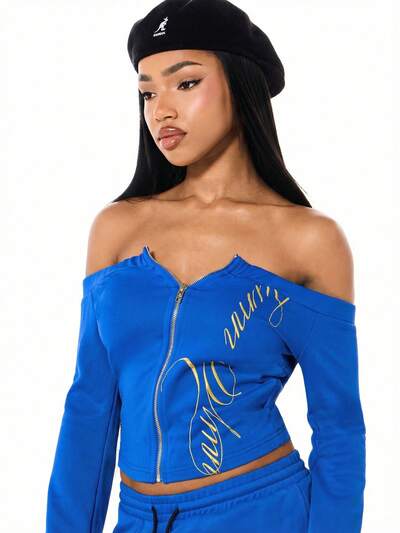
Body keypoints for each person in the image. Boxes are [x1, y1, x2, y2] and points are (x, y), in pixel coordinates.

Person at [46, 1, 366, 532]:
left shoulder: (309, 240)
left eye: (186, 83)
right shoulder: (116, 229)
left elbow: (339, 430)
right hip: (139, 516)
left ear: (241, 85)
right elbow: (89, 409)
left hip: (260, 512)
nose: (161, 111)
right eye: (148, 93)